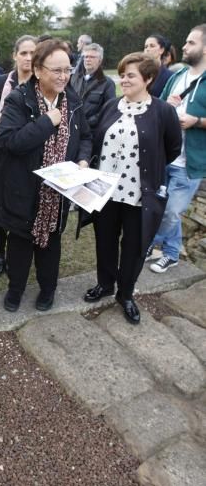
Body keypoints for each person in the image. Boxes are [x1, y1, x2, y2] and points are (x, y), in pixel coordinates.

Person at [0, 39, 92, 312]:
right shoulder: (19, 99)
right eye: (56, 70)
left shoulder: (73, 100)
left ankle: (48, 290)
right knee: (21, 242)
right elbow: (11, 141)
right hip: (24, 188)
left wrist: (81, 158)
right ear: (38, 70)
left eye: (67, 70)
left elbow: (86, 137)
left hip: (58, 191)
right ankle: (15, 291)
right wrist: (46, 122)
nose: (63, 76)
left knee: (52, 241)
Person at [83, 52, 182, 323]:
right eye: (123, 74)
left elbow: (172, 149)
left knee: (134, 246)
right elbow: (96, 140)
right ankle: (105, 284)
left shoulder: (163, 111)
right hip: (106, 192)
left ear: (148, 79)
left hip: (140, 195)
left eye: (130, 76)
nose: (123, 80)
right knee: (105, 241)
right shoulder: (112, 105)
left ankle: (125, 294)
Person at [148, 24, 206, 273]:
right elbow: (157, 108)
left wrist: (198, 122)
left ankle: (149, 243)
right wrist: (167, 107)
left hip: (190, 163)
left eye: (191, 42)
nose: (184, 46)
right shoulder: (177, 76)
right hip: (165, 156)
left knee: (170, 212)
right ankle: (171, 253)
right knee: (164, 207)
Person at [0, 35, 37, 277]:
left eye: (32, 54)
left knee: (26, 205)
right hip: (3, 154)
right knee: (1, 204)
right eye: (24, 53)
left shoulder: (41, 83)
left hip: (30, 156)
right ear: (15, 55)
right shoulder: (1, 81)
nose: (28, 58)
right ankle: (0, 251)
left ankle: (22, 252)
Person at [70, 43, 116, 132]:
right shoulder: (74, 79)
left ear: (100, 60)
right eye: (86, 57)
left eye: (92, 57)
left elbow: (109, 110)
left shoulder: (107, 83)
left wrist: (87, 123)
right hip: (73, 129)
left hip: (93, 132)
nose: (88, 59)